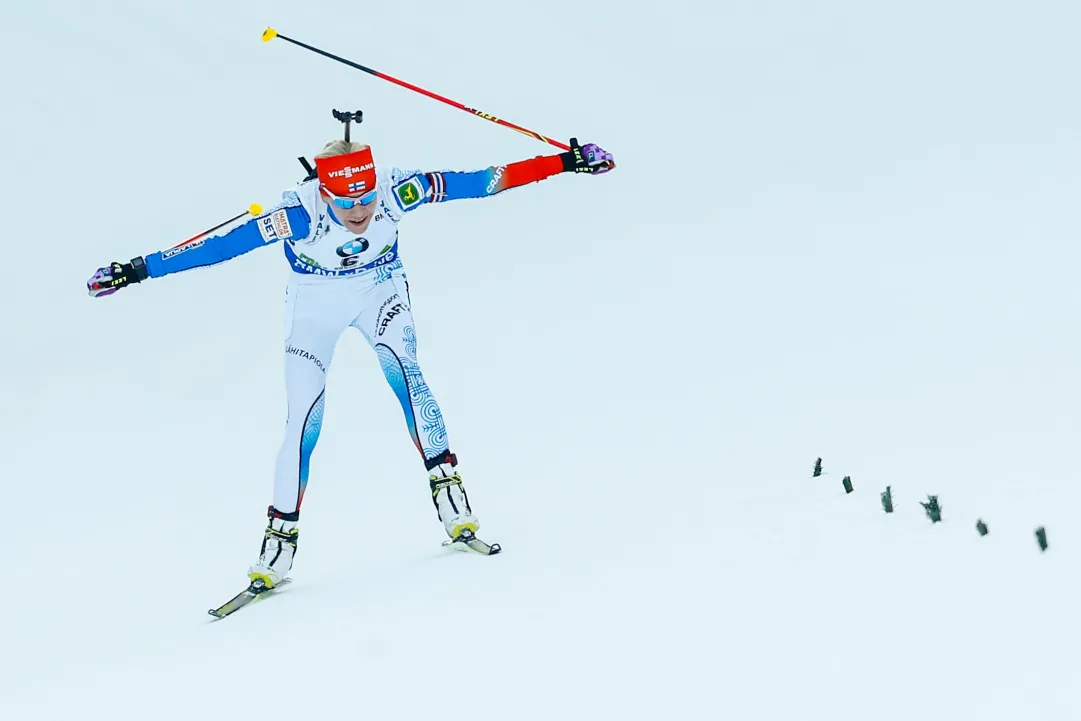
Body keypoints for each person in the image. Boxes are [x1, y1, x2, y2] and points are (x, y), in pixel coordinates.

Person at [87, 135, 615, 588]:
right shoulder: (297, 214)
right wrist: (137, 270)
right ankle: (279, 542)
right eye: (346, 204)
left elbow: (483, 181)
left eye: (365, 201)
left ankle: (450, 495)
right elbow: (218, 247)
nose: (360, 214)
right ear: (324, 191)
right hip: (315, 306)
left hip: (379, 292)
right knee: (302, 418)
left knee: (408, 376)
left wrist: (565, 162)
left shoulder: (398, 189)